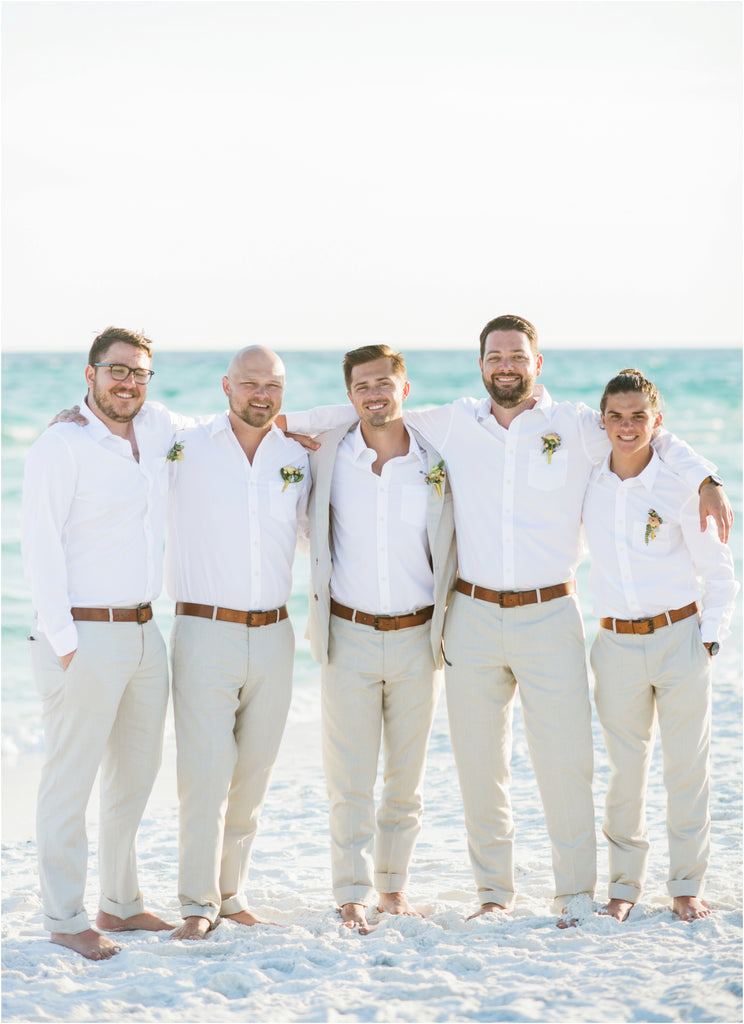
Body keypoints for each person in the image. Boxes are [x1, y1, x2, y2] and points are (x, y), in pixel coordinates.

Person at [284, 315, 732, 923]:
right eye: (495, 356)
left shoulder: (576, 427)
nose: (506, 366)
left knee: (566, 761)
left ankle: (574, 893)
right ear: (481, 364)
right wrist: (282, 425)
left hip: (552, 613)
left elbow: (648, 437)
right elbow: (372, 410)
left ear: (537, 364)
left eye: (517, 356)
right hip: (469, 612)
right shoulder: (453, 422)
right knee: (479, 762)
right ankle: (493, 895)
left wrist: (704, 475)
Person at [22, 327, 176, 960]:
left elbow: (243, 416)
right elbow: (38, 543)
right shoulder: (61, 444)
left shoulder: (160, 429)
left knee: (134, 777)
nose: (128, 383)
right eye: (116, 371)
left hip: (145, 631)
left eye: (139, 373)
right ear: (90, 375)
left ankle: (120, 903)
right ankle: (64, 917)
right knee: (70, 781)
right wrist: (64, 641)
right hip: (83, 635)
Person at [306, 345, 456, 934]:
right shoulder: (327, 455)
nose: (374, 394)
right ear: (349, 395)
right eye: (362, 385)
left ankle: (393, 889)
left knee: (405, 778)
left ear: (404, 387)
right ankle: (350, 892)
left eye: (384, 383)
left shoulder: (435, 457)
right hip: (349, 633)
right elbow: (265, 418)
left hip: (421, 635)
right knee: (348, 776)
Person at [582, 369, 737, 923]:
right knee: (626, 772)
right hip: (615, 643)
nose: (627, 427)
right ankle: (624, 886)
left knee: (685, 769)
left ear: (657, 422)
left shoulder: (679, 488)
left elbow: (720, 573)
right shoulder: (587, 480)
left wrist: (709, 643)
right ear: (602, 421)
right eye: (616, 417)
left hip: (680, 640)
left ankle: (686, 885)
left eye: (639, 417)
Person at [165, 346, 310, 940]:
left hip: (275, 634)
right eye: (249, 382)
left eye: (272, 384)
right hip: (205, 630)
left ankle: (232, 893)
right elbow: (126, 417)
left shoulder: (296, 452)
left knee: (252, 775)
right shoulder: (187, 444)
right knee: (204, 776)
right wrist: (74, 411)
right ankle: (197, 902)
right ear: (226, 385)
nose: (261, 394)